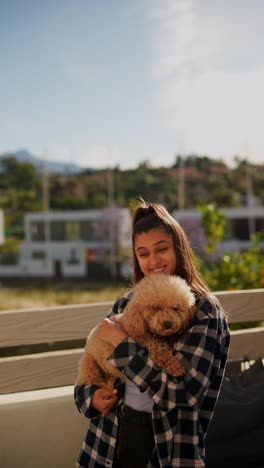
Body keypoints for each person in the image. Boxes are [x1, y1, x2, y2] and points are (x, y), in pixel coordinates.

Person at [74, 200, 230, 468]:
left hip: (169, 449)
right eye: (143, 253)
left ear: (178, 248)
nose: (154, 261)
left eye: (162, 249)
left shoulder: (203, 310)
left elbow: (182, 394)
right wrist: (90, 398)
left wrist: (123, 345)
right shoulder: (126, 303)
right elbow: (88, 371)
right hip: (106, 443)